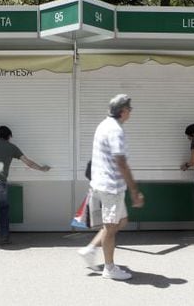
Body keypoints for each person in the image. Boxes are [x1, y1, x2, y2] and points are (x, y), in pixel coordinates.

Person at [77, 94, 144, 280]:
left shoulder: (103, 125)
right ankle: (109, 268)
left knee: (121, 221)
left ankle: (90, 250)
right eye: (129, 110)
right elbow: (121, 162)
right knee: (111, 225)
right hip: (111, 186)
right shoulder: (116, 130)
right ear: (123, 111)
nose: (130, 113)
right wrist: (134, 191)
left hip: (101, 183)